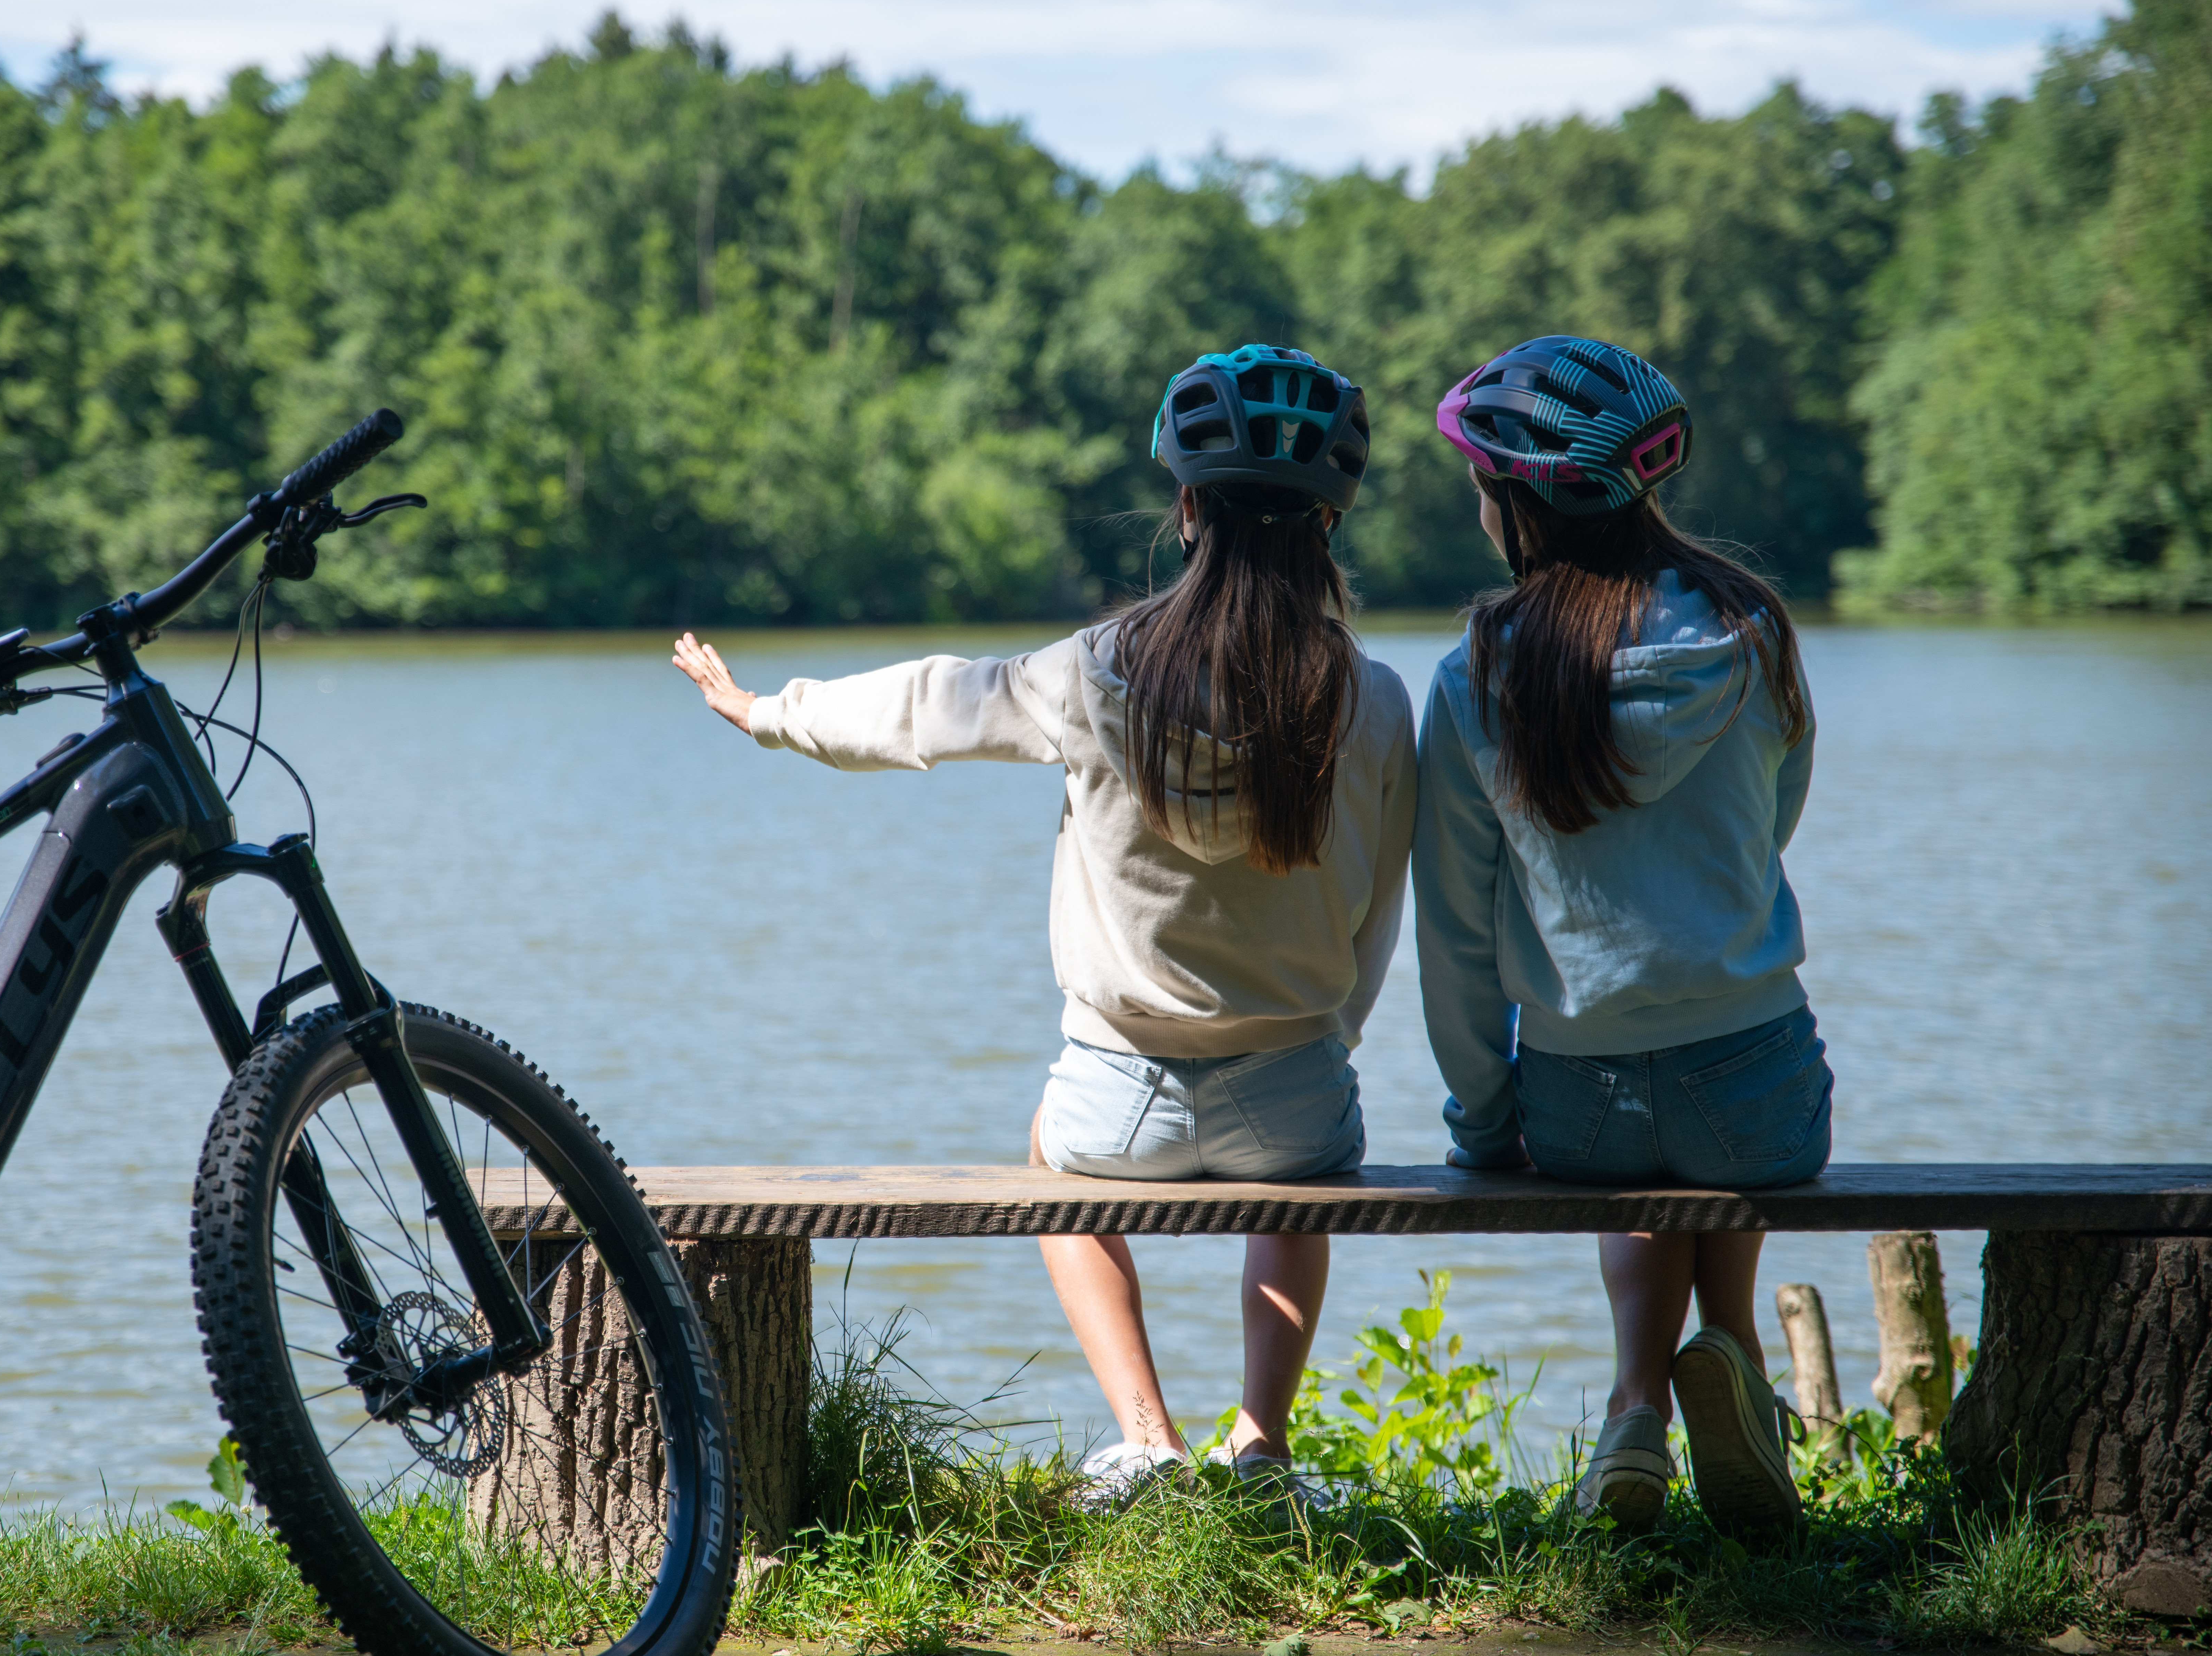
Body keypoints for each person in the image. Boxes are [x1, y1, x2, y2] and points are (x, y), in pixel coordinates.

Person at [671, 345, 1415, 1506]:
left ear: (1185, 510)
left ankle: (1145, 1436)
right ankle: (1262, 1445)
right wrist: (1331, 1041)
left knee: (1044, 1149)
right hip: (1299, 1103)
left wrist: (770, 712)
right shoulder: (1371, 696)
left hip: (1118, 1104)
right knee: (1297, 1196)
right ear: (1328, 525)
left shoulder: (1097, 672)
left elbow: (928, 702)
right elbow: (1379, 915)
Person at [1412, 334, 1829, 1534]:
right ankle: (1734, 1354)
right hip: (1760, 1092)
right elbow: (1768, 838)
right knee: (1713, 1131)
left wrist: (1485, 1123)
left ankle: (1633, 1406)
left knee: (1640, 1153)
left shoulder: (1479, 672)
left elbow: (1454, 931)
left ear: (1515, 500)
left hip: (1577, 1103)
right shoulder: (1754, 632)